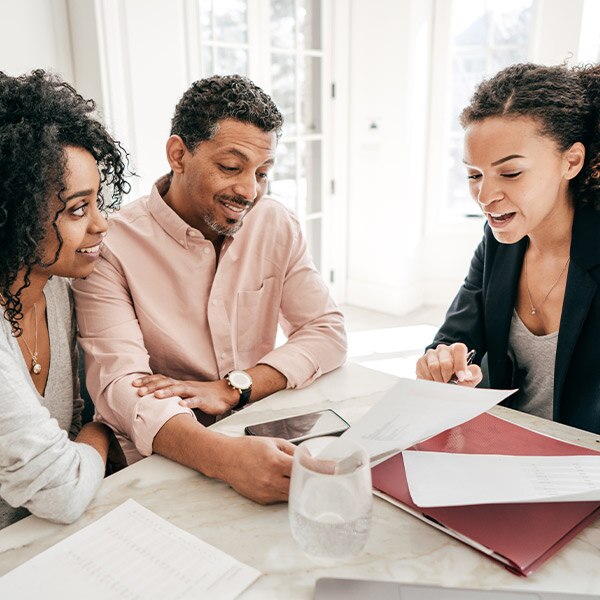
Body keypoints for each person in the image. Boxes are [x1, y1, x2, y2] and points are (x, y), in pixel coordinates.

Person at [72, 74, 347, 504]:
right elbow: (121, 385)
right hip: (165, 455)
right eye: (231, 168)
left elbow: (326, 331)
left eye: (263, 173)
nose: (249, 191)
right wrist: (226, 459)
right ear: (178, 154)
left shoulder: (275, 224)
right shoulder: (111, 245)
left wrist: (237, 386)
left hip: (261, 427)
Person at [416, 62, 600, 434]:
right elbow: (456, 334)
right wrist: (442, 360)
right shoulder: (498, 244)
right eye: (473, 175)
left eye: (511, 173)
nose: (485, 196)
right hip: (506, 444)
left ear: (571, 161)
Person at [0, 70, 129, 529]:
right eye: (78, 209)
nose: (101, 225)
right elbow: (62, 491)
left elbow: (67, 423)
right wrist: (99, 433)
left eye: (97, 202)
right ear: (12, 216)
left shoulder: (56, 289)